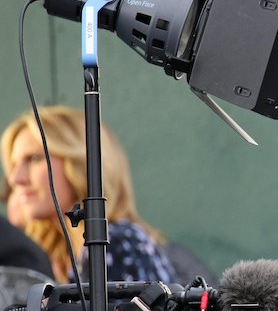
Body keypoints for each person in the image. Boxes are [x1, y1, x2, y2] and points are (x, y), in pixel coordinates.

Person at [1, 106, 178, 285]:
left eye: (33, 158)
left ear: (81, 163)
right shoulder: (50, 258)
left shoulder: (119, 244)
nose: (16, 179)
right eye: (13, 165)